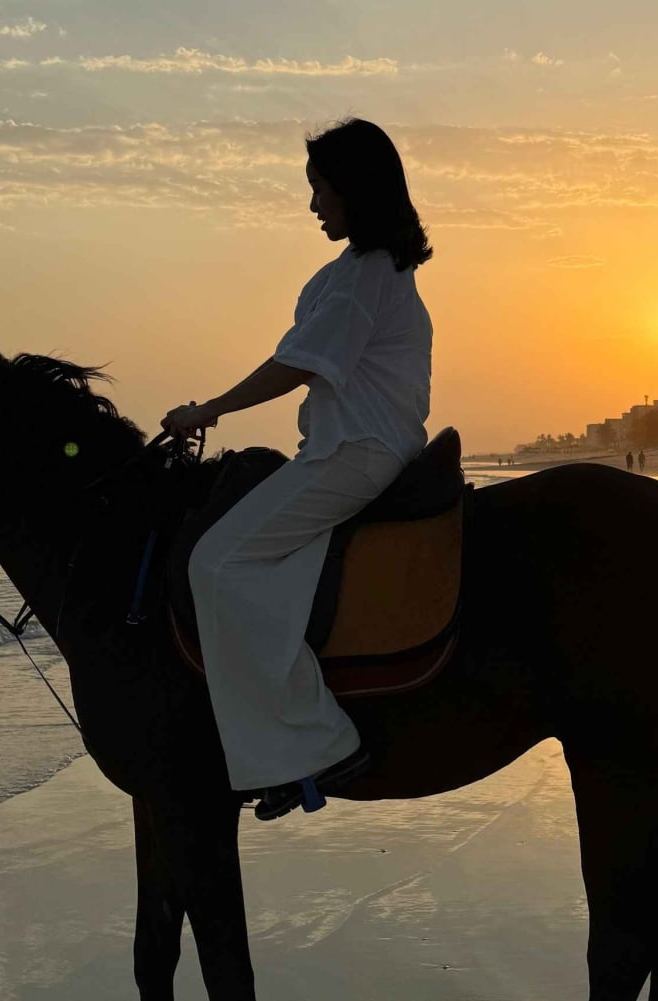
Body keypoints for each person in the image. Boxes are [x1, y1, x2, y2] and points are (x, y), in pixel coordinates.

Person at [161, 119, 433, 821]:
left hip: (353, 454)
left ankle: (318, 740)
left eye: (320, 188)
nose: (313, 204)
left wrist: (208, 409)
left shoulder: (364, 275)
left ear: (354, 190)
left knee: (214, 562)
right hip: (351, 449)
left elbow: (297, 365)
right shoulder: (359, 271)